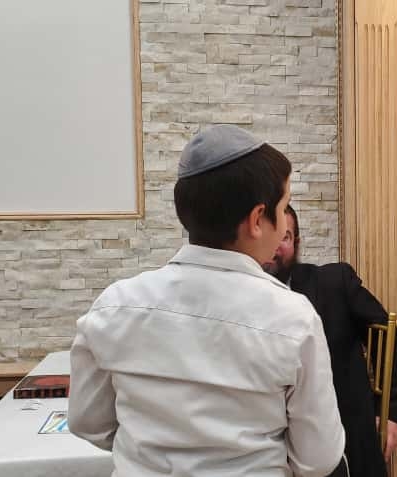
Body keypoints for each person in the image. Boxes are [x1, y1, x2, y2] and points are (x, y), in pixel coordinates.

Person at [69, 125, 345, 477]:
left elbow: (88, 422)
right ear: (257, 220)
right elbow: (317, 459)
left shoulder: (114, 306)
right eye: (282, 207)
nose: (282, 228)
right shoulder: (293, 317)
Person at [263, 205, 397, 477]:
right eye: (269, 235)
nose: (275, 246)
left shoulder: (333, 282)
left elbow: (384, 335)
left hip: (347, 439)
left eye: (285, 237)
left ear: (297, 243)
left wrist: (391, 412)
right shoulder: (237, 302)